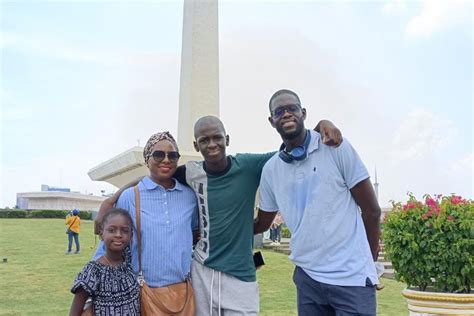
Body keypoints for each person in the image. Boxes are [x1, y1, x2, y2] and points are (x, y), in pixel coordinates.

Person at [97, 117, 342, 315]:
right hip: (201, 273)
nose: (212, 144)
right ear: (196, 146)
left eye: (217, 138)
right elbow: (155, 176)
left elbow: (289, 150)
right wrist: (112, 198)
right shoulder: (191, 173)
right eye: (204, 140)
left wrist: (319, 127)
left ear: (227, 139)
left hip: (241, 276)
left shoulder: (249, 165)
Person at [255, 89, 381, 316]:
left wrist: (368, 264)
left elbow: (372, 211)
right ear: (271, 121)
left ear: (303, 112)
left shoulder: (335, 147)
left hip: (351, 278)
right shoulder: (271, 170)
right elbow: (262, 223)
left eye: (292, 108)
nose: (286, 114)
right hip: (308, 279)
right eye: (279, 111)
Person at [93, 132, 199, 306]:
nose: (166, 160)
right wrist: (90, 290)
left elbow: (194, 234)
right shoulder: (130, 197)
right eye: (158, 154)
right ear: (146, 159)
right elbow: (109, 245)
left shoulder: (189, 196)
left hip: (183, 294)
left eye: (172, 155)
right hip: (142, 294)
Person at [69, 208, 140, 316]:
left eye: (125, 231)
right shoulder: (93, 271)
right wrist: (107, 203)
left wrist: (110, 201)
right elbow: (74, 312)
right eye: (111, 230)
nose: (118, 235)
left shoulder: (128, 261)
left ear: (131, 236)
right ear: (102, 234)